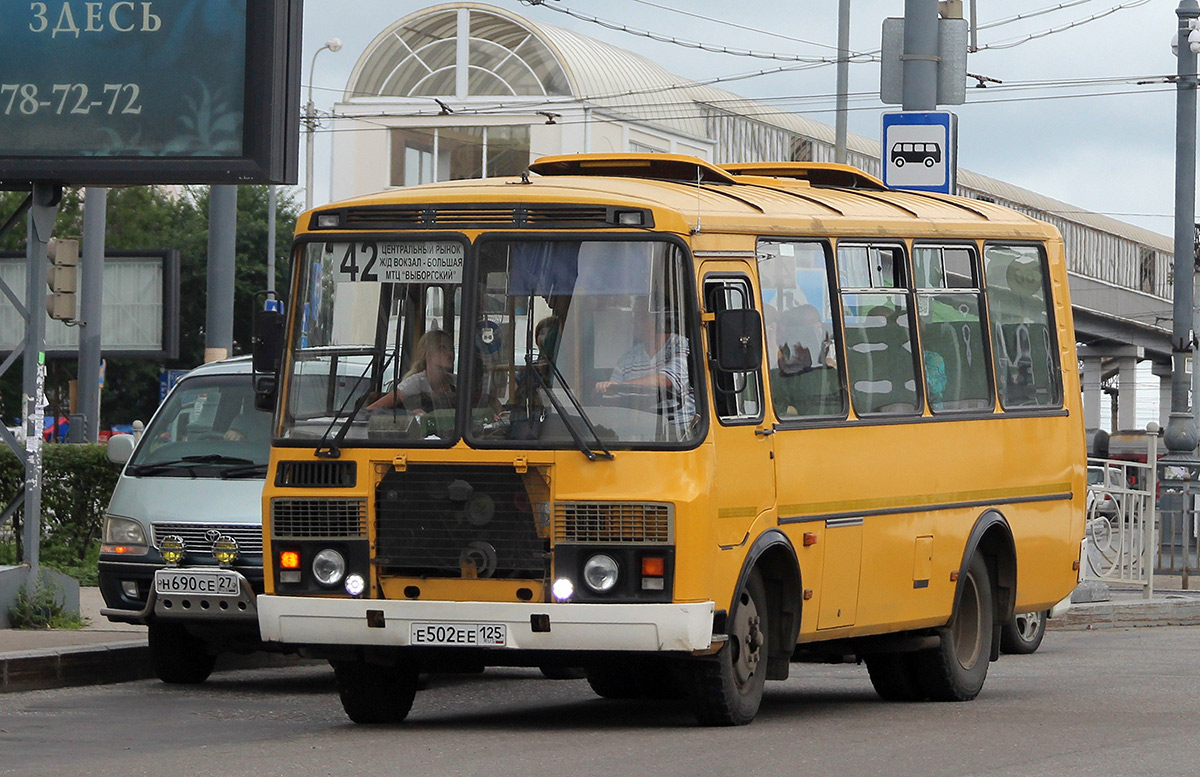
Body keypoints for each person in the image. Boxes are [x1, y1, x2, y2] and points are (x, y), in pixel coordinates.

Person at [595, 305, 695, 435]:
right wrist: (604, 391)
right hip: (637, 432)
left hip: (679, 434)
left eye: (641, 317)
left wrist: (624, 386)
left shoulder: (681, 345)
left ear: (661, 321)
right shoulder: (629, 357)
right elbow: (613, 396)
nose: (633, 322)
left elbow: (667, 380)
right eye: (635, 316)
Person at [367, 329, 457, 412]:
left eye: (451, 348)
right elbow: (372, 409)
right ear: (427, 354)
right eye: (442, 348)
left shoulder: (457, 382)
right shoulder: (415, 383)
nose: (450, 354)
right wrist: (408, 415)